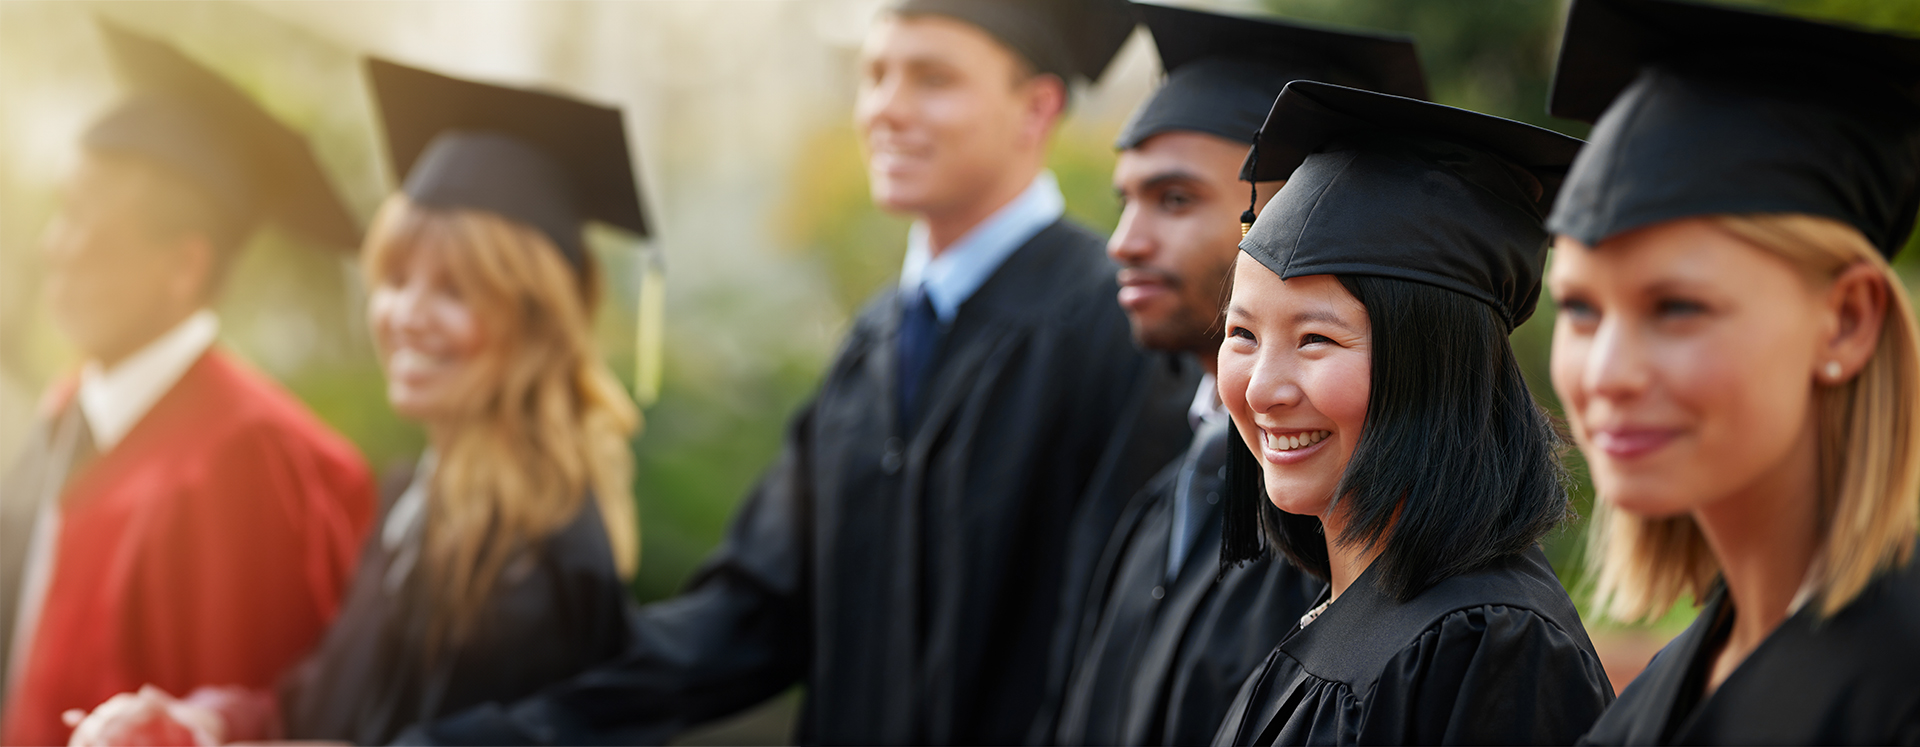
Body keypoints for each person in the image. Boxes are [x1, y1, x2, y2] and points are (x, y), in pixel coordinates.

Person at [404, 1, 1196, 744]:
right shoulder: (874, 343)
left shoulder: (1114, 329)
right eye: (874, 74)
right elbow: (746, 617)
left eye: (932, 78)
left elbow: (1118, 641)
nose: (884, 107)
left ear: (1038, 109)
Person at [63, 58, 651, 747]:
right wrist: (205, 721)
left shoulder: (536, 553)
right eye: (396, 278)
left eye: (454, 291)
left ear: (536, 324)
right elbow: (319, 702)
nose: (406, 314)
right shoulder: (420, 500)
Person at [1032, 5, 1428, 746]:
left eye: (1174, 199)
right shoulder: (1161, 503)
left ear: (1288, 214)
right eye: (1126, 201)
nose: (1123, 242)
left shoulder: (1346, 531)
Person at [1542, 0, 1920, 743]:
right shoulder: (1650, 701)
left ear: (1847, 319)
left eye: (1678, 307)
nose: (1606, 373)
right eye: (1581, 311)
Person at [0, 23, 374, 746]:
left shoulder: (255, 461)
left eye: (83, 217)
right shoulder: (72, 406)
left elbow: (262, 711)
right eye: (59, 209)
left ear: (183, 265)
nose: (55, 246)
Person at [1209, 81, 1614, 746]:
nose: (1261, 389)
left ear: (1436, 366)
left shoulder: (1485, 646)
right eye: (1242, 335)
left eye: (1315, 339)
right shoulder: (1352, 605)